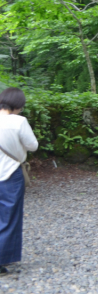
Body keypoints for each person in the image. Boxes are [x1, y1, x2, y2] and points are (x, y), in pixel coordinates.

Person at [0, 88, 37, 275]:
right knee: (8, 216)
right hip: (10, 173)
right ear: (18, 105)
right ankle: (2, 259)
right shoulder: (18, 121)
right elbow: (33, 145)